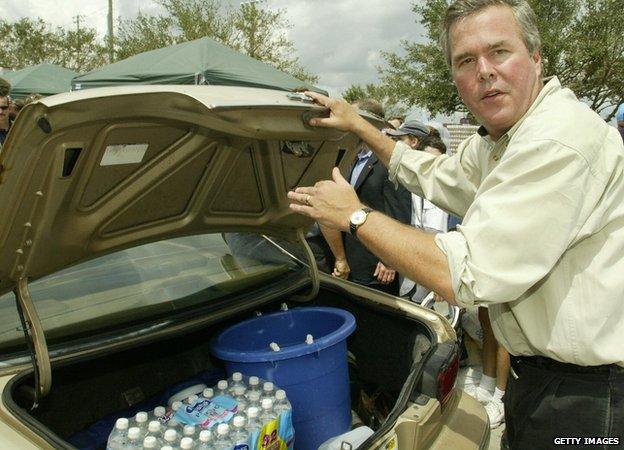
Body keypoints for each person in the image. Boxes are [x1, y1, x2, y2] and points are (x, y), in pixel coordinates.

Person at [287, 0, 624, 447]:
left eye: (499, 51)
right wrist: (362, 127)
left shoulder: (554, 142)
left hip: (584, 396)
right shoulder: (507, 138)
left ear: (537, 58)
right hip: (543, 382)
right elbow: (438, 175)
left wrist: (354, 216)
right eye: (466, 60)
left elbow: (461, 272)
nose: (484, 70)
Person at [322, 99, 412, 294]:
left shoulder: (390, 160)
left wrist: (390, 260)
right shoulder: (350, 157)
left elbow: (400, 214)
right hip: (351, 260)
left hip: (377, 268)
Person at [386, 120, 449, 302]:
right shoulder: (408, 187)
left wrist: (442, 278)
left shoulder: (452, 195)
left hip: (437, 278)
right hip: (408, 274)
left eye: (436, 162)